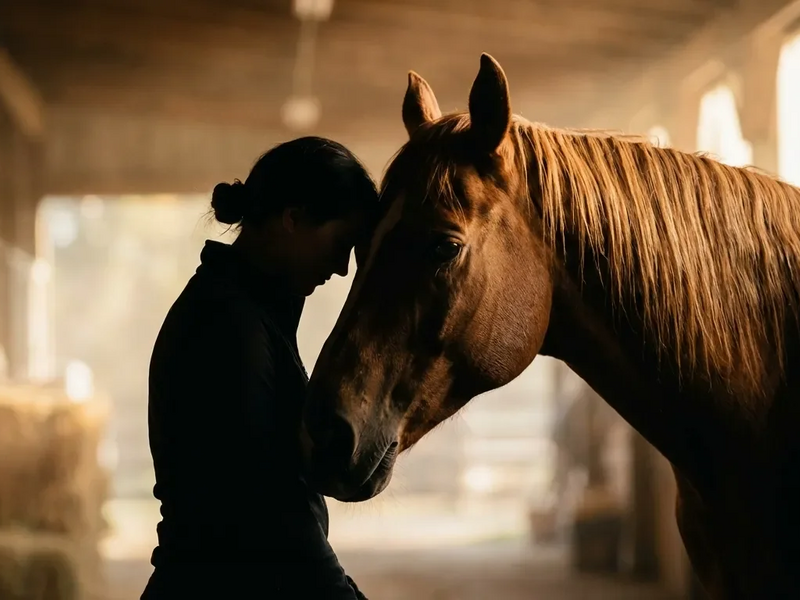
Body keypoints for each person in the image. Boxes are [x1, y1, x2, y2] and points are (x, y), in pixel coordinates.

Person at [141, 136, 379, 599]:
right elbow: (267, 506)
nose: (342, 268)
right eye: (339, 243)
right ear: (293, 220)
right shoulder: (228, 323)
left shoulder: (244, 313)